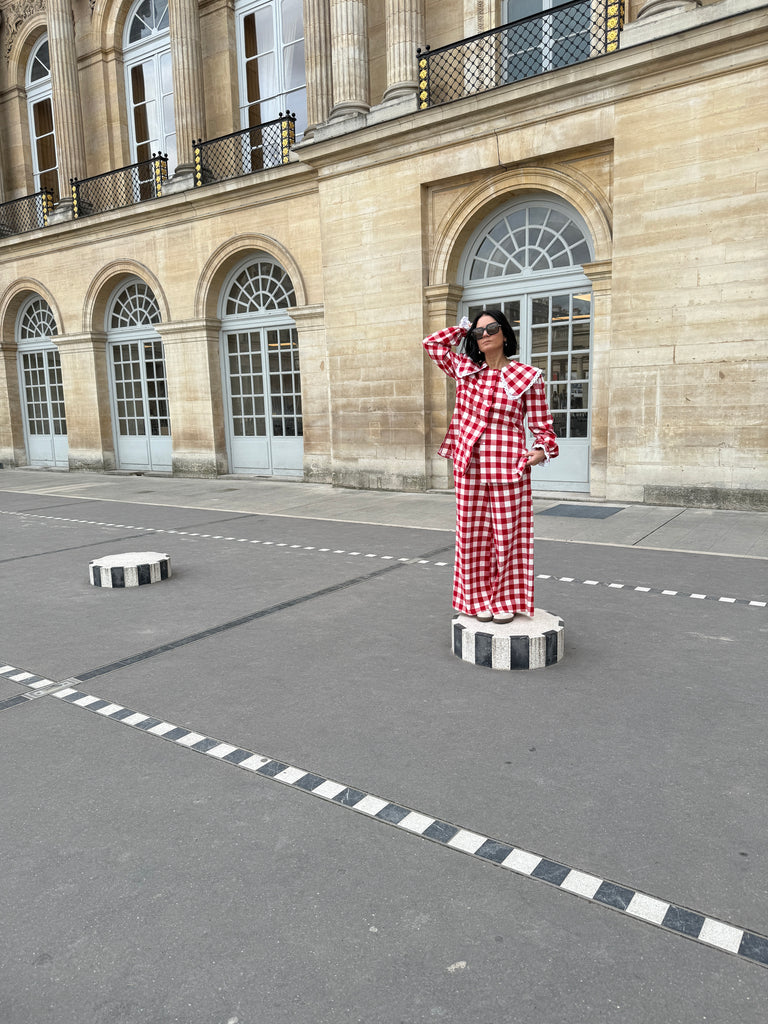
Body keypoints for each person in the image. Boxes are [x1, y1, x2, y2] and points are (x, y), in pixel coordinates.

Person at [423, 309, 558, 623]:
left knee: (508, 535)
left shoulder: (527, 376)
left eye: (492, 328)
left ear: (505, 334)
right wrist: (463, 329)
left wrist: (542, 450)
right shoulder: (465, 369)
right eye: (479, 331)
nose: (484, 335)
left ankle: (505, 599)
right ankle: (477, 599)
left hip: (508, 465)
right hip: (469, 465)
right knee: (472, 536)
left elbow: (544, 427)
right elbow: (432, 345)